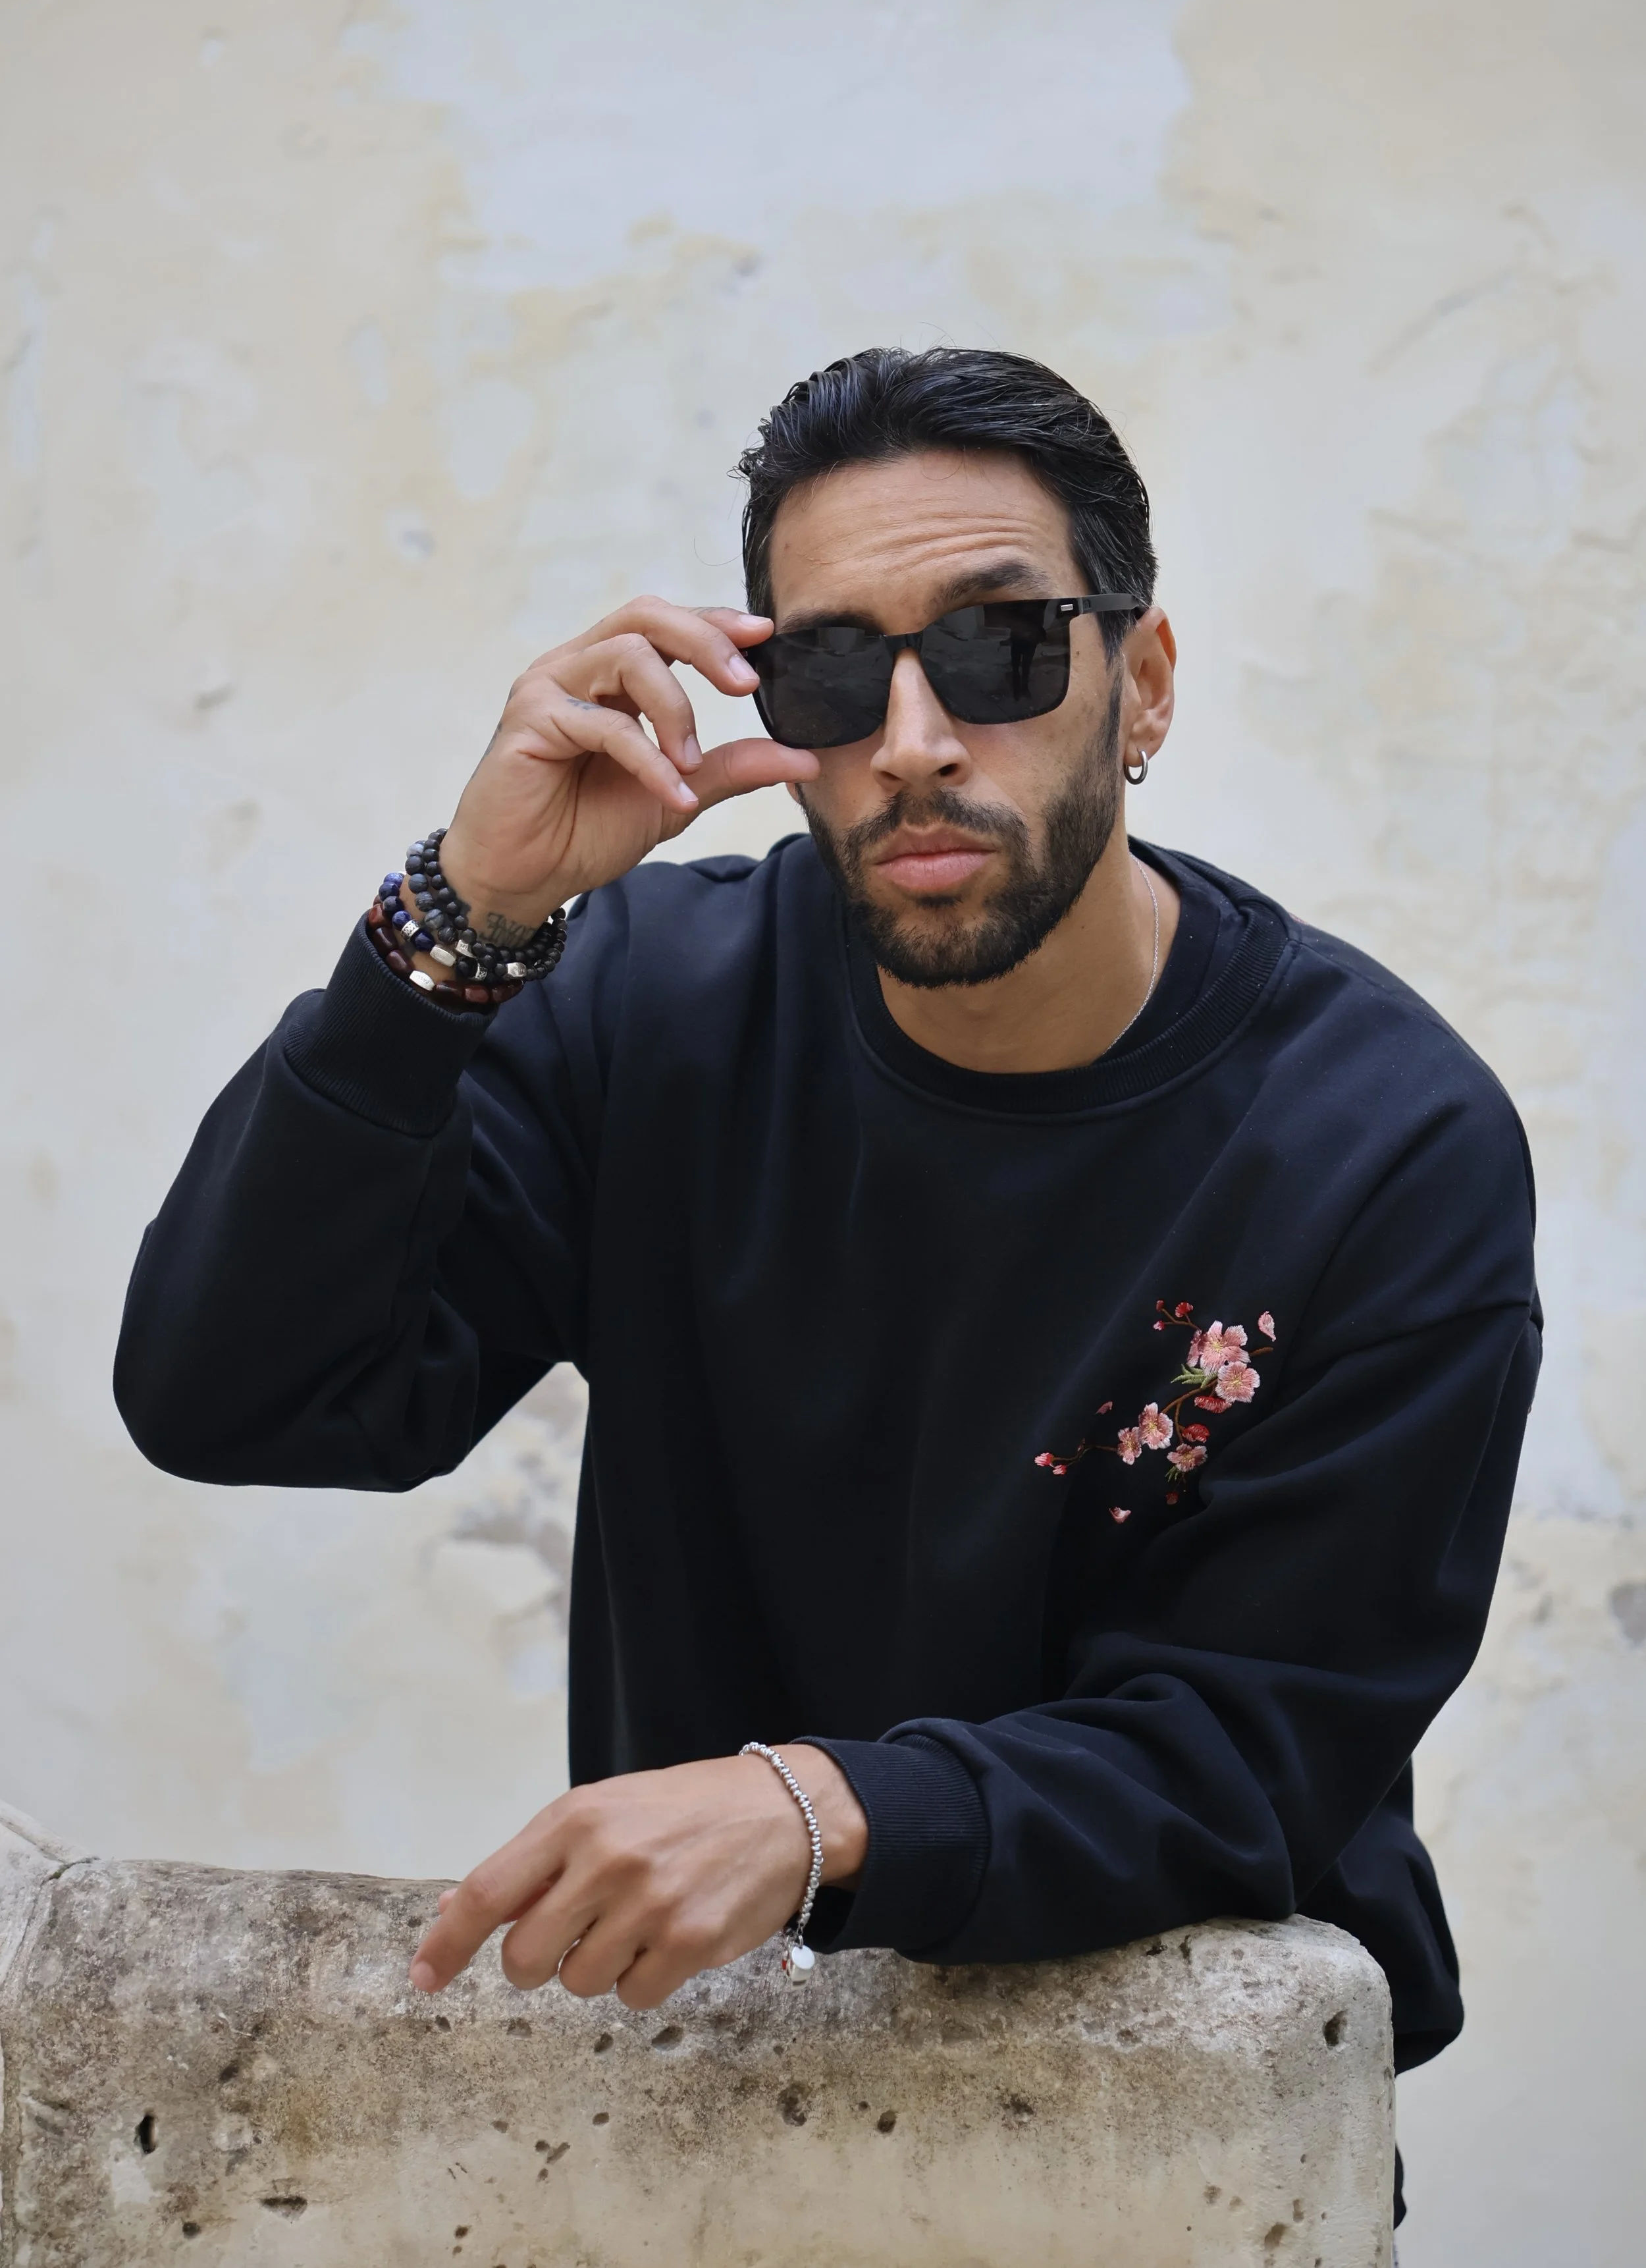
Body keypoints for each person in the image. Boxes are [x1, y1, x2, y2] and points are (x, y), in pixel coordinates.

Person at [116, 350, 1537, 2213]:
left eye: (1003, 648)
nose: (917, 737)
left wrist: (817, 1808)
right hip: (713, 2107)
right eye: (833, 669)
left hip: (1180, 2129)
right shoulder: (649, 1008)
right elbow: (240, 1392)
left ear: (1144, 683)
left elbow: (1253, 1748)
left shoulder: (1377, 1139)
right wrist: (456, 929)